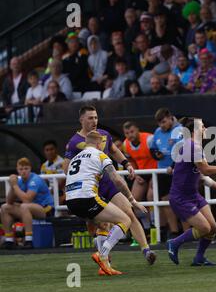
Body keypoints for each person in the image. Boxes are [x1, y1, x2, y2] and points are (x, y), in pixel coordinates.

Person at [63, 105, 155, 268]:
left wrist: (126, 164)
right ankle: (104, 259)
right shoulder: (74, 142)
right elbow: (66, 168)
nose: (94, 121)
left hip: (107, 184)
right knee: (102, 224)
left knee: (128, 212)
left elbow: (113, 150)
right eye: (90, 118)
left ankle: (146, 250)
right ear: (81, 120)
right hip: (91, 188)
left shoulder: (103, 135)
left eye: (96, 117)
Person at [166, 117, 216, 265]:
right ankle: (174, 242)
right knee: (205, 228)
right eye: (203, 127)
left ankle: (199, 258)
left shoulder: (196, 146)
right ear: (194, 131)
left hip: (192, 195)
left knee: (212, 228)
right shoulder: (192, 146)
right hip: (180, 197)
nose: (206, 129)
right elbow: (206, 169)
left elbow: (200, 174)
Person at [1, 158, 54, 249]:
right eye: (21, 169)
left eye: (26, 168)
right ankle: (9, 240)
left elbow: (27, 200)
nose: (24, 171)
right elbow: (9, 201)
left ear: (30, 168)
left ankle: (29, 240)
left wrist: (14, 185)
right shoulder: (20, 181)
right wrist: (12, 186)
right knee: (5, 207)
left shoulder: (35, 179)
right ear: (17, 170)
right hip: (29, 209)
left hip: (46, 208)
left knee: (24, 206)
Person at [150, 108, 184, 239]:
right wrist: (156, 155)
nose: (161, 126)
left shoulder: (180, 130)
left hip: (179, 170)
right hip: (163, 172)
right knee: (165, 201)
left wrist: (173, 166)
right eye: (159, 123)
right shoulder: (157, 132)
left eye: (164, 122)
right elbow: (153, 149)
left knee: (181, 201)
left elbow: (182, 150)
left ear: (170, 117)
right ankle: (174, 232)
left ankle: (188, 232)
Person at [122, 121, 158, 237]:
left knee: (151, 196)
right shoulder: (125, 145)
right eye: (127, 133)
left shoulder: (149, 139)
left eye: (132, 131)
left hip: (155, 172)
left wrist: (155, 175)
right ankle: (146, 227)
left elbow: (159, 157)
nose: (130, 135)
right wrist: (136, 175)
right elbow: (131, 161)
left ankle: (155, 225)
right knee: (133, 200)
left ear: (137, 130)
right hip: (141, 173)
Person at [40, 140, 65, 207]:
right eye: (47, 150)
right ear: (44, 152)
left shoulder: (62, 163)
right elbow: (43, 183)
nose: (49, 152)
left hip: (61, 192)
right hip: (49, 193)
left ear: (56, 150)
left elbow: (61, 183)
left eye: (51, 149)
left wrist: (49, 192)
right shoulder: (44, 165)